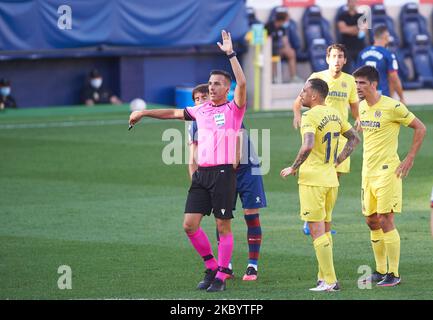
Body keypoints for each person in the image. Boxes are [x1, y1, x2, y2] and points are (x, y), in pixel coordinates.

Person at [129, 30, 247, 292]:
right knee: (189, 225)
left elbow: (243, 83)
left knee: (222, 226)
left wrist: (230, 54)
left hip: (224, 174)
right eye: (210, 83)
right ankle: (213, 265)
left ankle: (220, 277)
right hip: (202, 175)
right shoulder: (200, 110)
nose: (212, 87)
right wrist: (144, 112)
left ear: (227, 88)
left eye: (217, 83)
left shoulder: (233, 109)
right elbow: (172, 113)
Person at [281, 78, 360, 291]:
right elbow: (354, 139)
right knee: (325, 229)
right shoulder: (335, 114)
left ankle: (331, 281)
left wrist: (294, 167)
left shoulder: (310, 116)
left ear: (315, 95)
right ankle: (322, 276)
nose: (302, 94)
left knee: (316, 231)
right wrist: (339, 160)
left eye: (304, 91)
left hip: (313, 180)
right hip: (330, 179)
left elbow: (307, 146)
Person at [353, 65, 426, 286]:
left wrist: (410, 157)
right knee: (371, 221)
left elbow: (420, 128)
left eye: (362, 83)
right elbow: (365, 127)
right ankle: (380, 270)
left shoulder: (393, 106)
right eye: (356, 83)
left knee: (386, 219)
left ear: (374, 85)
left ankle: (393, 274)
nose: (357, 87)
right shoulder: (362, 107)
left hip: (388, 172)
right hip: (368, 172)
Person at [188, 84, 266, 281]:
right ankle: (226, 266)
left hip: (246, 168)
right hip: (219, 173)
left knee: (251, 214)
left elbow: (237, 147)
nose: (201, 102)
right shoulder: (195, 123)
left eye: (204, 96)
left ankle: (252, 266)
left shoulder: (228, 111)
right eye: (196, 99)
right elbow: (193, 158)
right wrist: (198, 185)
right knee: (220, 215)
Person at [292, 44, 360, 234]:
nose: (337, 60)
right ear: (327, 58)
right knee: (320, 172)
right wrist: (297, 113)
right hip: (320, 133)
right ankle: (313, 220)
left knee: (333, 178)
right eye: (334, 56)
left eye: (340, 56)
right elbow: (299, 99)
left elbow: (354, 106)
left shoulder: (350, 81)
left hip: (340, 134)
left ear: (345, 60)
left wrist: (359, 119)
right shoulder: (316, 77)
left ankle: (323, 220)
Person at [356, 25, 405, 104]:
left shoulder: (362, 53)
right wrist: (401, 97)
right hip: (380, 95)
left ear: (374, 37)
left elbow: (356, 76)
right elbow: (394, 77)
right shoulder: (388, 54)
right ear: (386, 38)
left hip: (365, 95)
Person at [264, 9, 301, 83]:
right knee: (273, 55)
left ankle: (293, 77)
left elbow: (285, 42)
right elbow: (265, 41)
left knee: (291, 53)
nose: (287, 22)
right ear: (281, 20)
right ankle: (273, 78)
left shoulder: (283, 28)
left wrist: (288, 48)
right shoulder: (268, 26)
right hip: (269, 50)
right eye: (287, 20)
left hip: (279, 49)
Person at [337, 0, 366, 73]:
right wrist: (357, 28)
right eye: (351, 1)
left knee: (361, 70)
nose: (352, 3)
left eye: (354, 1)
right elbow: (343, 30)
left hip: (360, 47)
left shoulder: (362, 16)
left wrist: (349, 29)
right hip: (346, 48)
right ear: (347, 3)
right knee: (345, 71)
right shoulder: (342, 15)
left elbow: (363, 31)